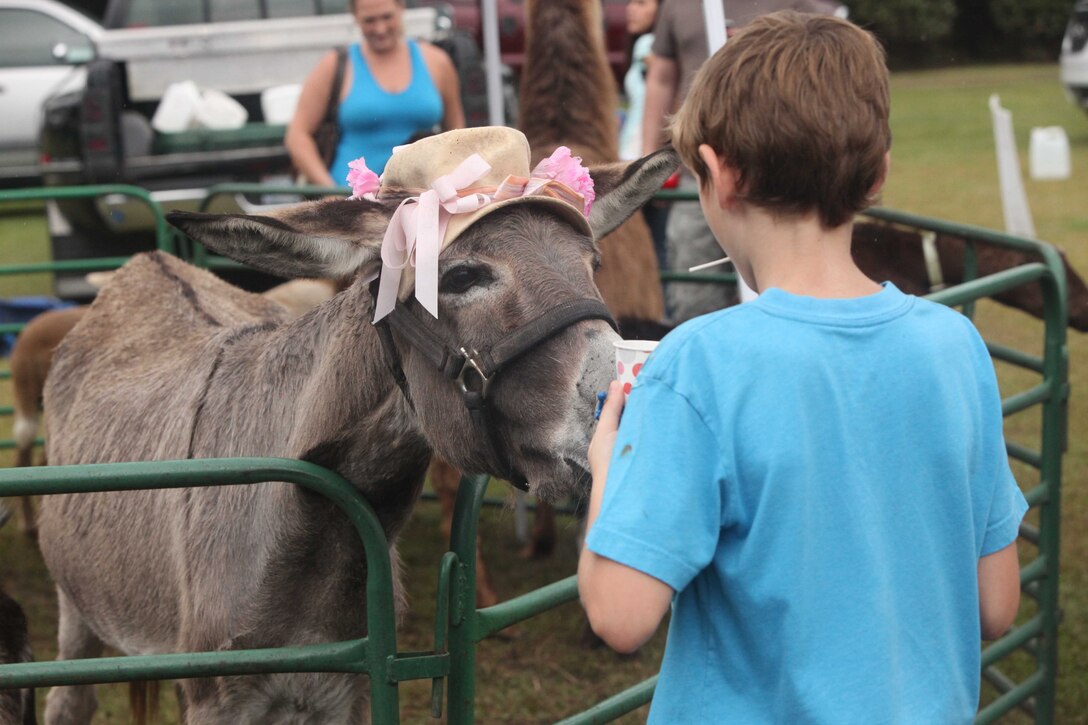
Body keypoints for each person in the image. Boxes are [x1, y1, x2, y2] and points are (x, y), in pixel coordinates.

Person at [580, 12, 1027, 724]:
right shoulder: (956, 346)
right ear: (878, 175)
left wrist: (610, 459)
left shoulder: (699, 365)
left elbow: (619, 612)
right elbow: (998, 604)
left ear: (720, 176)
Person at [642, 0, 841, 322]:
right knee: (693, 297)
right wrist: (648, 161)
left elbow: (835, 73)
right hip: (700, 177)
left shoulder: (805, 5)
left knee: (791, 299)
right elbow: (661, 77)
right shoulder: (680, 4)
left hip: (784, 181)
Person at [286, 0, 465, 187]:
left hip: (422, 196)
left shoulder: (437, 61)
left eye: (387, 17)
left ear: (401, 7)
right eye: (369, 21)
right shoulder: (335, 64)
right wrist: (329, 191)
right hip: (353, 203)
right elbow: (297, 136)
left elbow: (457, 133)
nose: (380, 29)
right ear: (355, 17)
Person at [619, 0, 670, 273]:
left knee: (652, 243)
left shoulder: (648, 46)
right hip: (637, 152)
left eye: (641, 3)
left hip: (642, 154)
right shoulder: (645, 45)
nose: (630, 9)